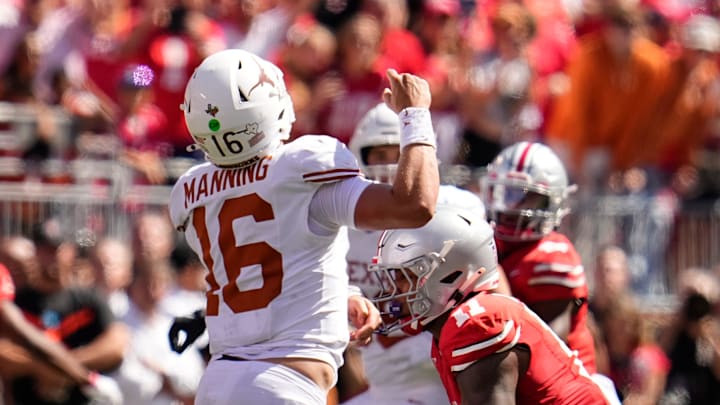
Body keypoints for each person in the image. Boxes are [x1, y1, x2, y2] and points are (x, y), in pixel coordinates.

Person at [167, 49, 439, 404]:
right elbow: (415, 205)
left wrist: (340, 296)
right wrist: (415, 115)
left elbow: (262, 270)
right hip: (281, 385)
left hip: (219, 382)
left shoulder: (192, 191)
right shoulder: (299, 170)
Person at [367, 205, 609, 404]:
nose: (392, 290)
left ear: (448, 274)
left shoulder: (476, 323)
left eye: (404, 277)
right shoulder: (455, 325)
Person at [341, 102, 484, 404]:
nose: (392, 167)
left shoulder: (454, 211)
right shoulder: (342, 220)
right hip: (372, 364)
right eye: (379, 155)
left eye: (399, 154)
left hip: (437, 355)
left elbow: (489, 290)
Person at [480, 141, 622, 403]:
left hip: (568, 392)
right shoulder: (489, 242)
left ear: (551, 202)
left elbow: (547, 346)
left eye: (525, 194)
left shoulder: (553, 254)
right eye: (506, 193)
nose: (511, 206)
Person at [0, 259, 122, 405]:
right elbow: (14, 337)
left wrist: (57, 369)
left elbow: (117, 345)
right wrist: (86, 378)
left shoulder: (88, 296)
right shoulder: (21, 298)